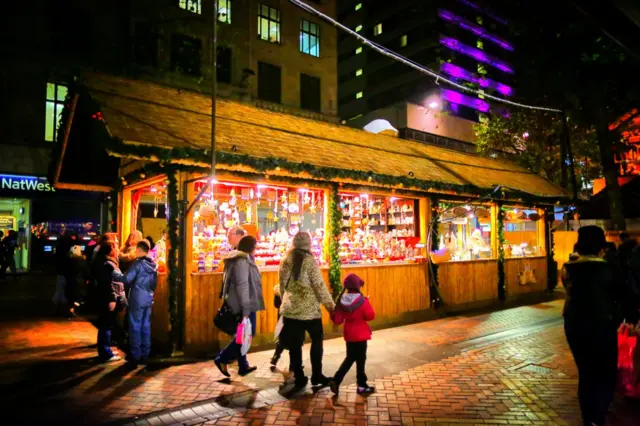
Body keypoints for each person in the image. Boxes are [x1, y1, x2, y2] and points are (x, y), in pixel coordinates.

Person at [562, 226, 621, 426]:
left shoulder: (568, 267)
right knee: (604, 370)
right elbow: (619, 296)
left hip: (574, 322)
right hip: (601, 322)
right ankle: (599, 412)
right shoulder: (607, 268)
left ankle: (589, 416)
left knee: (586, 371)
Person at [278, 232, 335, 391]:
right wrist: (331, 306)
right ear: (308, 244)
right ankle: (317, 374)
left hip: (290, 311)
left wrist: (286, 301)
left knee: (295, 345)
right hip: (310, 311)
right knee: (317, 341)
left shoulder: (285, 260)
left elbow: (282, 285)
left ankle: (299, 376)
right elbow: (319, 286)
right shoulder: (310, 261)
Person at [214, 235, 264, 377]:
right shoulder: (242, 261)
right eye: (255, 246)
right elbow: (243, 285)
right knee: (248, 334)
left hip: (240, 302)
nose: (256, 248)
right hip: (244, 304)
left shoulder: (238, 259)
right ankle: (222, 358)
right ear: (251, 247)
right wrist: (246, 308)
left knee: (243, 333)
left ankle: (243, 365)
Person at [329, 273, 376, 396]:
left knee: (351, 357)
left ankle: (340, 381)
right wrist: (368, 302)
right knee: (360, 360)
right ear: (357, 286)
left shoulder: (341, 301)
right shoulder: (362, 300)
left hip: (349, 334)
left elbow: (338, 320)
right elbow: (370, 316)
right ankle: (359, 385)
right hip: (360, 334)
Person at [112, 240, 158, 366]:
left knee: (135, 326)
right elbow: (154, 284)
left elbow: (126, 279)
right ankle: (145, 354)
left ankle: (135, 355)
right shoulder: (153, 265)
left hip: (137, 298)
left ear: (138, 250)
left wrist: (115, 273)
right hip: (148, 298)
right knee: (145, 326)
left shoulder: (137, 264)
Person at [95, 241, 127, 362]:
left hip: (106, 298)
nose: (118, 249)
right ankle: (105, 353)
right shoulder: (108, 265)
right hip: (108, 300)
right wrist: (112, 299)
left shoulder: (106, 262)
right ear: (111, 250)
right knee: (106, 325)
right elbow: (108, 284)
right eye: (116, 247)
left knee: (106, 324)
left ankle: (105, 350)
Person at [65, 245, 90, 318]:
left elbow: (66, 272)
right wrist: (88, 279)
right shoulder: (82, 261)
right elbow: (86, 272)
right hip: (80, 282)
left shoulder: (69, 262)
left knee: (72, 297)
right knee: (80, 298)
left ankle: (71, 309)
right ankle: (73, 309)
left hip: (70, 282)